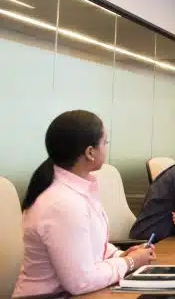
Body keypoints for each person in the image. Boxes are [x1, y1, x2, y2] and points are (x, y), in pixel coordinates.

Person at [13, 110, 156, 297]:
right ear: (90, 152)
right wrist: (129, 263)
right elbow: (81, 282)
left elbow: (90, 244)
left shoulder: (77, 190)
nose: (106, 147)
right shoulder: (62, 203)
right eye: (105, 143)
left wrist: (121, 255)